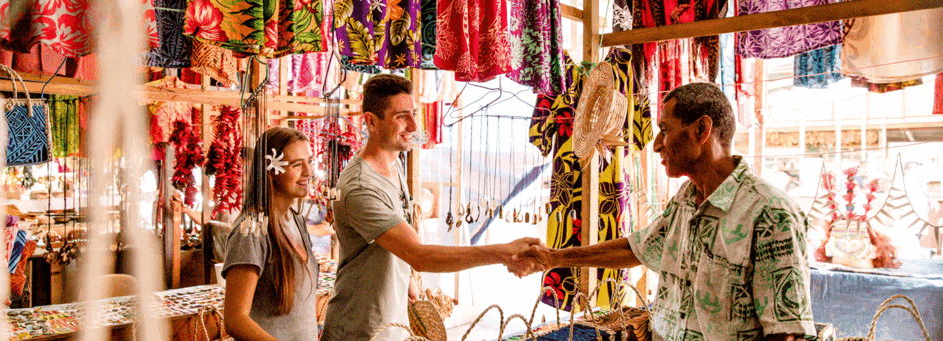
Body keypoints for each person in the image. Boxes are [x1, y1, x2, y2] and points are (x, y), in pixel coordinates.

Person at [518, 82, 817, 341]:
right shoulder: (686, 202)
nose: (657, 144)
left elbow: (785, 331)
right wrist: (555, 258)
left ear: (701, 130)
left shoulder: (770, 213)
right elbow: (636, 248)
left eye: (664, 130)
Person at [320, 74, 543, 341]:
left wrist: (406, 282)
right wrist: (502, 253)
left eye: (414, 113)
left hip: (391, 324)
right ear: (370, 121)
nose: (414, 125)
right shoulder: (360, 185)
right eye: (401, 116)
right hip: (358, 330)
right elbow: (419, 255)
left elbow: (391, 246)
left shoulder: (394, 165)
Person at [222, 127, 319, 340]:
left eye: (310, 161)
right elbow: (235, 319)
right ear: (271, 171)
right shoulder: (252, 231)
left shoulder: (297, 221)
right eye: (296, 164)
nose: (308, 171)